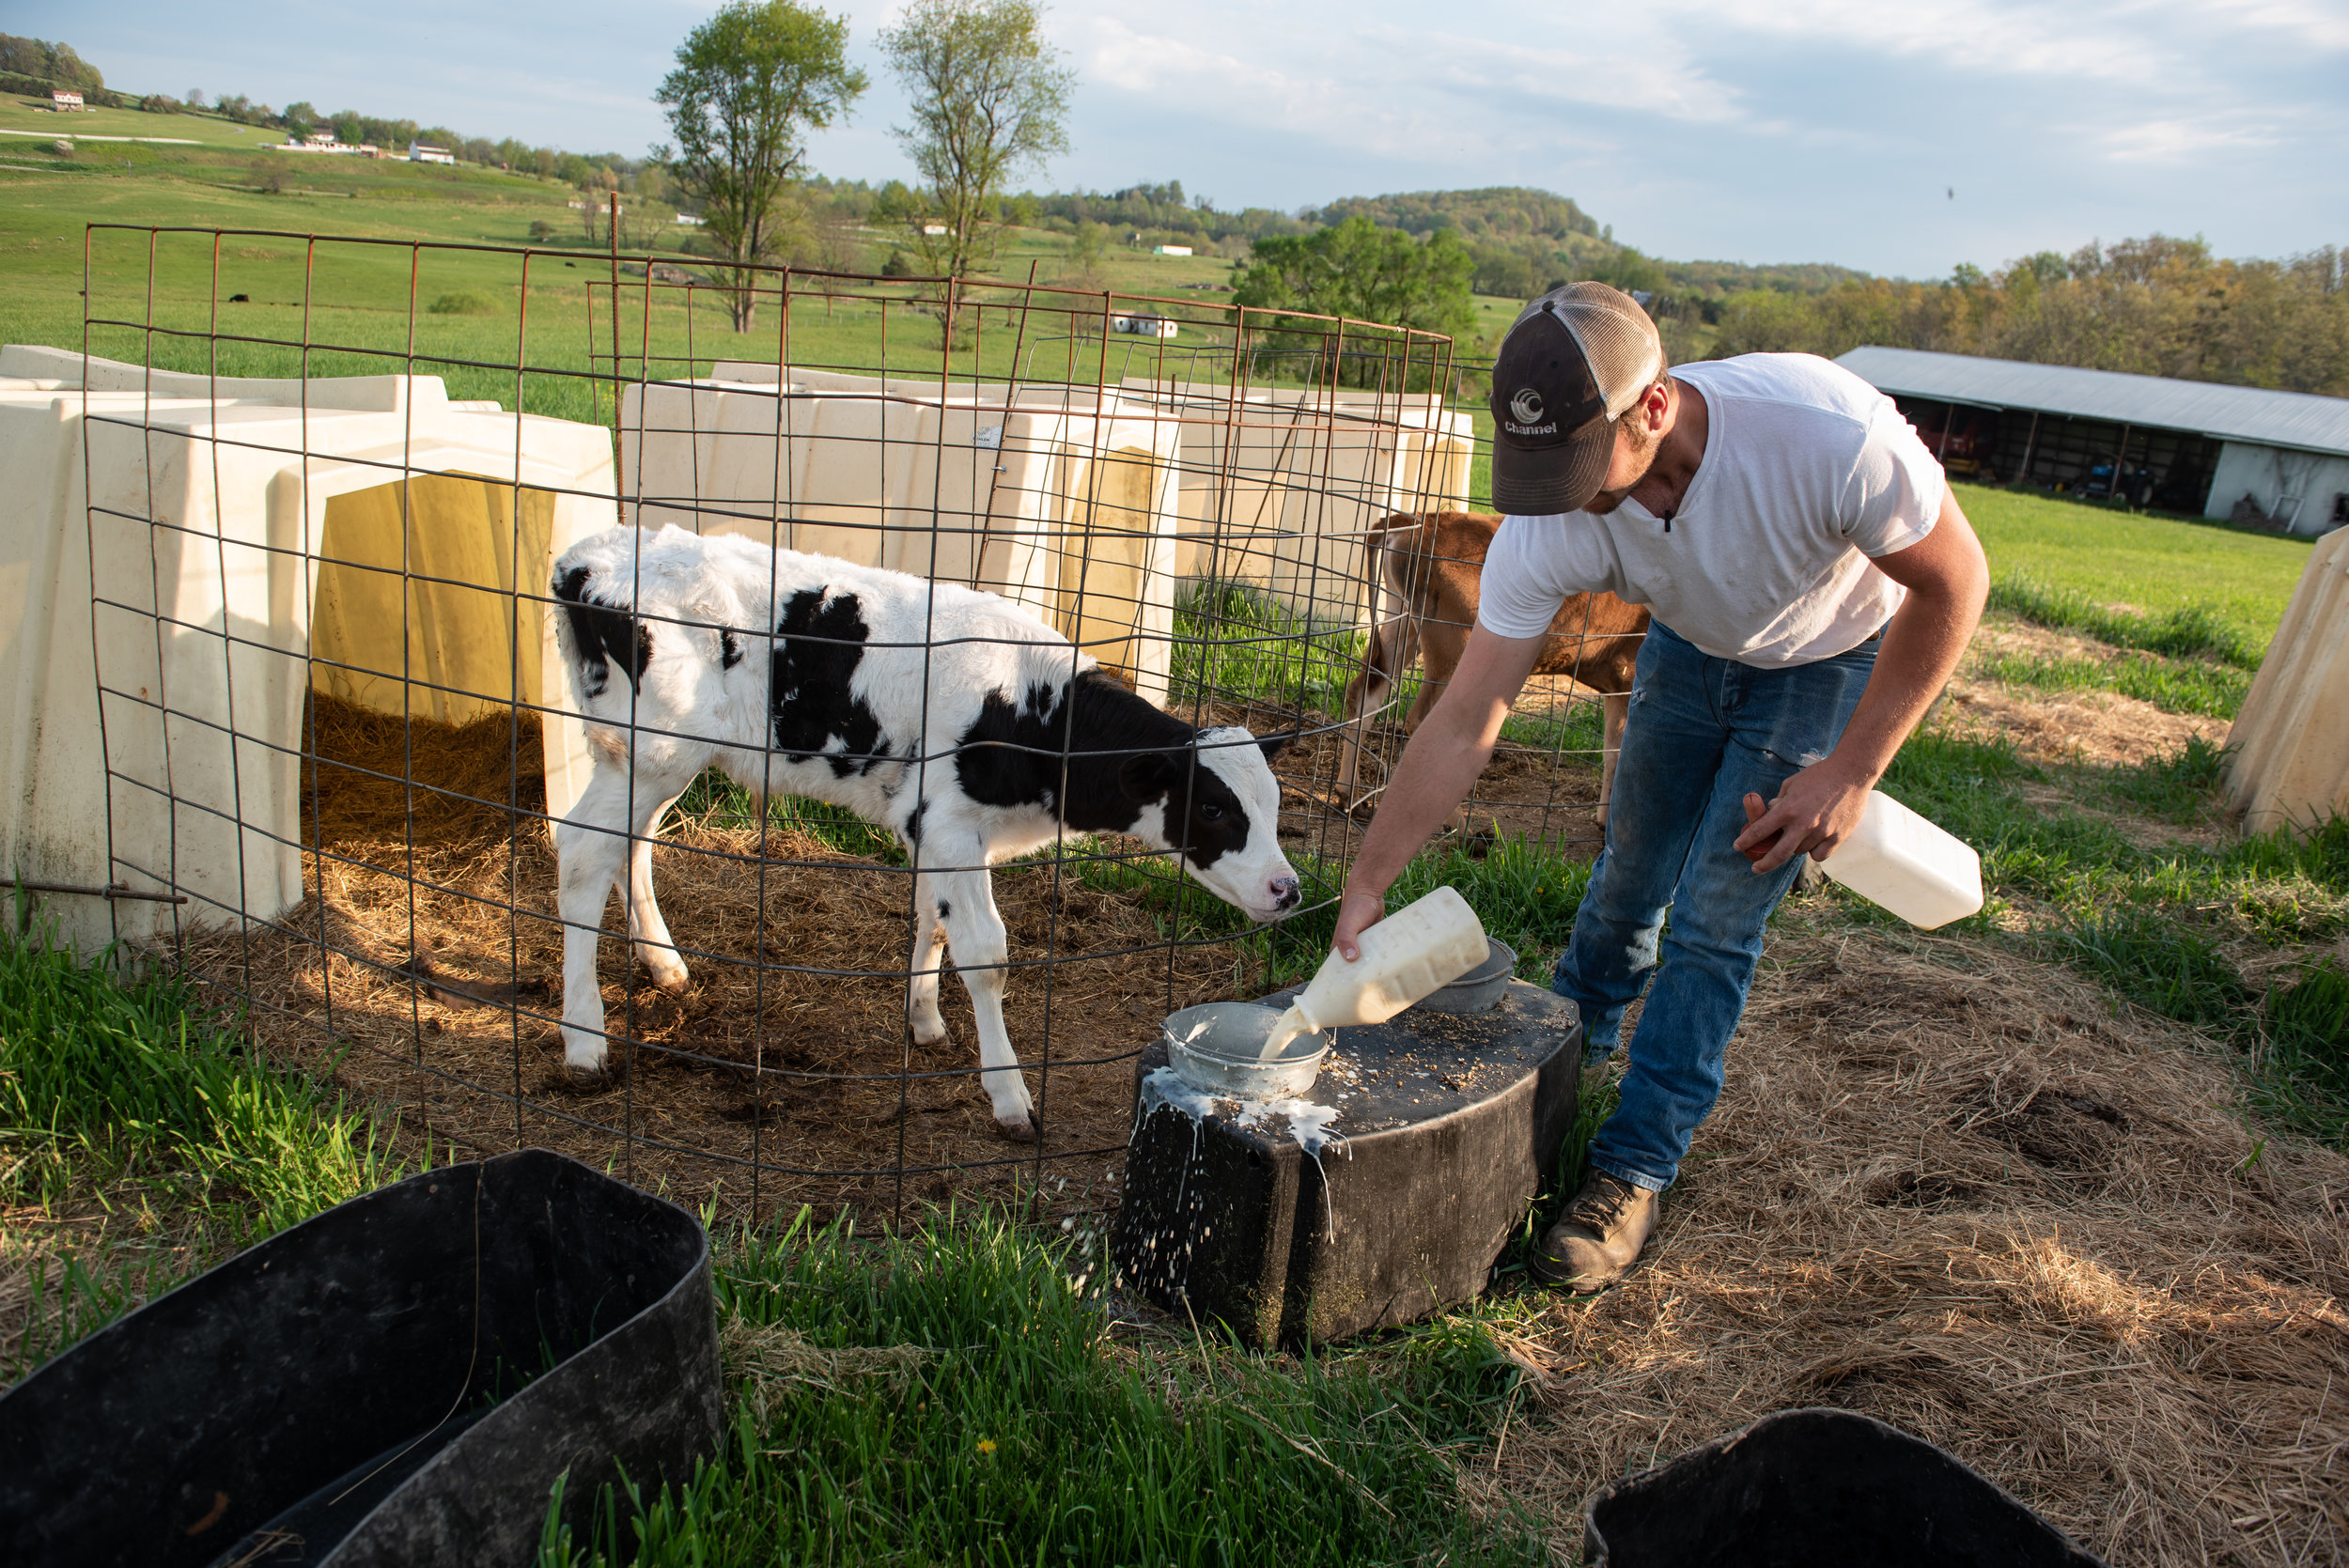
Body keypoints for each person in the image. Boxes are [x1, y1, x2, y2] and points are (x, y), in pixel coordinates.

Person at [1331, 283, 1988, 1291]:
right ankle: (1551, 1076)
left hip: (1828, 656)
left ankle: (1630, 1168)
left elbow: (1955, 581)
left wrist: (1850, 768)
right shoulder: (1552, 522)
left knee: (1716, 921)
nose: (1579, 501)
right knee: (1626, 876)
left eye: (1591, 472)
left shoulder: (1821, 436)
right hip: (1687, 644)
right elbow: (1464, 717)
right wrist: (1372, 878)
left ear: (1653, 407)